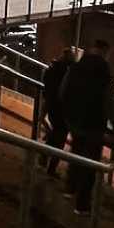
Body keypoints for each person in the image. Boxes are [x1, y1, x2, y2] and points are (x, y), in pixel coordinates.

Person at [60, 39, 114, 215]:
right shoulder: (104, 72)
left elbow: (63, 92)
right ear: (105, 52)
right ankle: (82, 204)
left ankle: (69, 188)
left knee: (76, 153)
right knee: (90, 163)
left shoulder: (76, 67)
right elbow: (110, 102)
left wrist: (68, 115)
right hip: (94, 124)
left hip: (75, 120)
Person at [42, 48, 76, 177]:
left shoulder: (52, 69)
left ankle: (44, 156)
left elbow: (47, 88)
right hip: (63, 110)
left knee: (55, 134)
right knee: (60, 139)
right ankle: (51, 168)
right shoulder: (69, 73)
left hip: (52, 107)